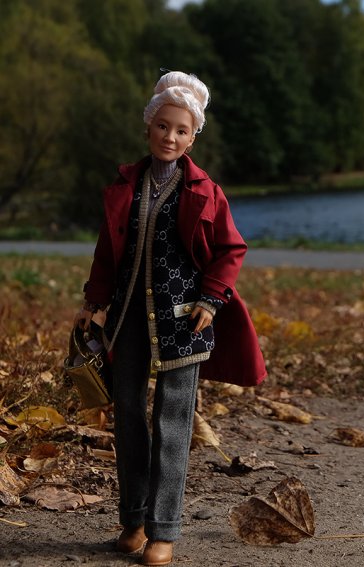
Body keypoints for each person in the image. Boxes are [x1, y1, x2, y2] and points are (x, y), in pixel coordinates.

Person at [73, 71, 266, 566]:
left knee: (174, 420)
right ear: (148, 127)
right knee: (128, 414)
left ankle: (165, 528)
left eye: (181, 130)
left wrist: (211, 298)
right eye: (163, 126)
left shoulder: (204, 191)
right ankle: (133, 519)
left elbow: (230, 249)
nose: (170, 137)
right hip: (128, 317)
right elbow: (106, 251)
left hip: (185, 319)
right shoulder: (126, 186)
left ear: (193, 135)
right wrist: (94, 300)